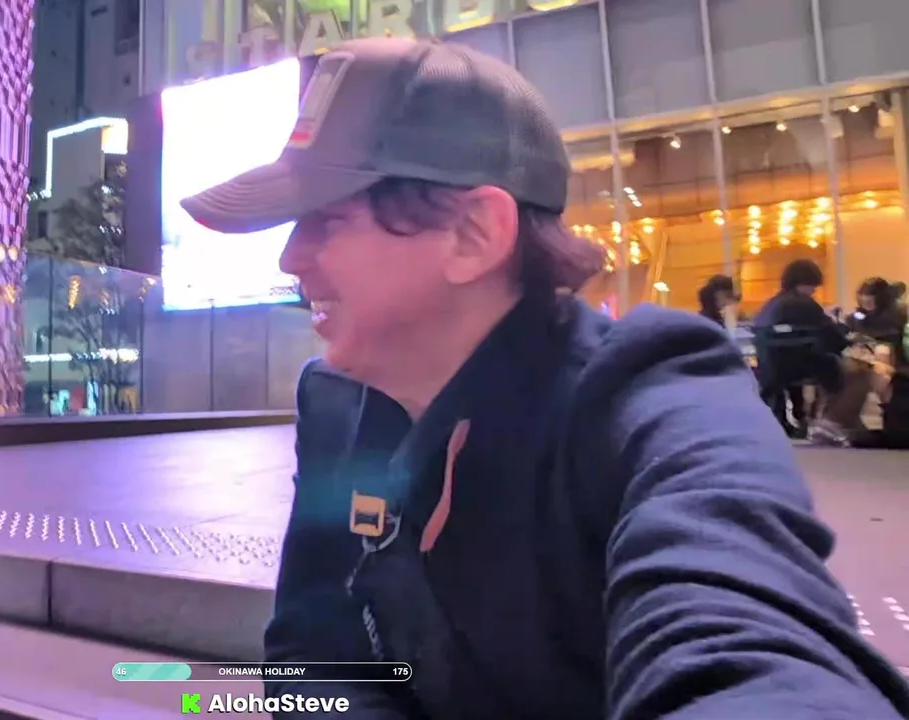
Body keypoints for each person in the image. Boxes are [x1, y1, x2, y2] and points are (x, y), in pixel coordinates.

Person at [181, 37, 909, 718]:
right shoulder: (338, 400)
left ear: (474, 234)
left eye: (326, 221)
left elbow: (745, 641)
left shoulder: (654, 391)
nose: (290, 259)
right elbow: (317, 652)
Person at [752, 259, 849, 439]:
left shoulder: (771, 305)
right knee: (838, 366)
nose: (814, 291)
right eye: (813, 287)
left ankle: (801, 418)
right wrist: (840, 326)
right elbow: (834, 337)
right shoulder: (805, 304)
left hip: (771, 367)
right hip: (798, 366)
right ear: (804, 283)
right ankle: (826, 419)